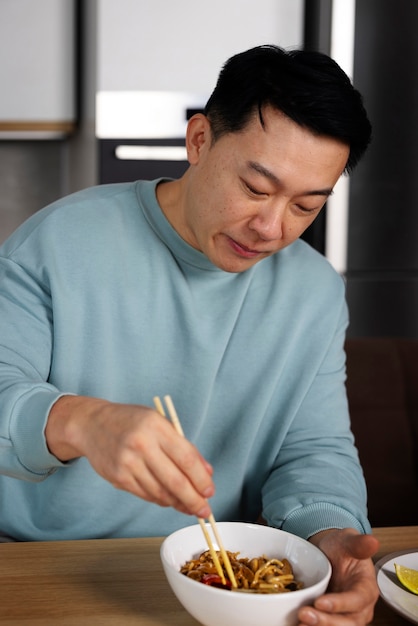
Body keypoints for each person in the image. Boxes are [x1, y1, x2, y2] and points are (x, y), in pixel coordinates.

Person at [0, 45, 379, 623]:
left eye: (306, 206)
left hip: (222, 584)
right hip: (41, 565)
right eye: (255, 189)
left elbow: (313, 449)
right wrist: (80, 420)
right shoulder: (58, 242)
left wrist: (327, 533)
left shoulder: (314, 291)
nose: (272, 228)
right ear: (199, 140)